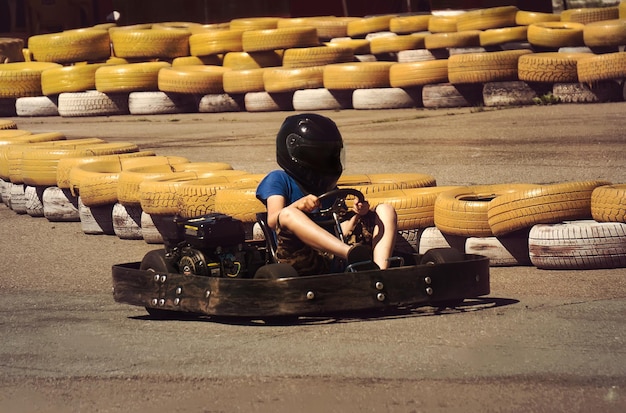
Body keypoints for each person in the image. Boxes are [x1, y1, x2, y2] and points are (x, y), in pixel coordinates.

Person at [256, 113, 397, 275]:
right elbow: (273, 221)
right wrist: (298, 206)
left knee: (385, 209)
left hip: (335, 251)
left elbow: (341, 230)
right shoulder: (278, 179)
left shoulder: (330, 188)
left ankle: (380, 274)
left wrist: (357, 215)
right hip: (299, 256)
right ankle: (351, 254)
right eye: (317, 156)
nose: (324, 162)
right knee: (288, 213)